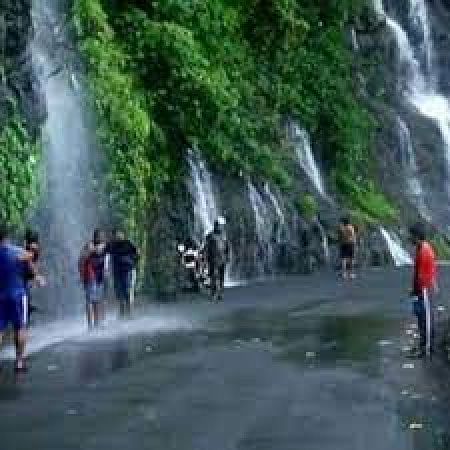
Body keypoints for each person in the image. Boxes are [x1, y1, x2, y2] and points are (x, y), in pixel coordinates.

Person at [0, 224, 35, 372]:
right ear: (7, 237)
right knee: (20, 327)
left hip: (1, 295)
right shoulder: (18, 252)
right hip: (18, 294)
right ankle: (19, 362)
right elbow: (31, 268)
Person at [410, 223, 437, 358]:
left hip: (425, 289)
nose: (410, 239)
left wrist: (418, 290)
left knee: (426, 319)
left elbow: (424, 275)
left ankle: (427, 349)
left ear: (417, 236)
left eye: (412, 236)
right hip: (421, 289)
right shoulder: (421, 248)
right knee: (421, 318)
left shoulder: (425, 251)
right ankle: (423, 345)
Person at [106, 229, 139, 319]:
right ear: (113, 236)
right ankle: (122, 313)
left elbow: (136, 255)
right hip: (117, 273)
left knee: (127, 292)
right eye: (116, 235)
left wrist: (130, 261)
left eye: (119, 234)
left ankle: (130, 313)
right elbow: (105, 254)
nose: (118, 236)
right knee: (119, 293)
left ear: (123, 235)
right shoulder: (111, 245)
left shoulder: (128, 244)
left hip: (127, 271)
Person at [79, 229, 107, 329]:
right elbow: (82, 258)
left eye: (102, 236)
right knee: (90, 300)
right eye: (99, 236)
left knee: (97, 300)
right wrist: (92, 250)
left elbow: (105, 257)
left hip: (99, 276)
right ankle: (90, 324)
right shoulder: (89, 245)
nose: (101, 238)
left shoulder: (104, 246)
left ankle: (97, 323)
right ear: (95, 237)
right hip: (90, 275)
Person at [204, 217, 230, 302]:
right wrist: (205, 257)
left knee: (221, 277)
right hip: (213, 259)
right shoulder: (210, 236)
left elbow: (227, 247)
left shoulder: (224, 235)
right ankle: (213, 293)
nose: (220, 227)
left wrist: (228, 256)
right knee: (213, 276)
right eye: (218, 225)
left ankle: (220, 293)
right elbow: (206, 248)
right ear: (215, 225)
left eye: (221, 225)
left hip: (222, 258)